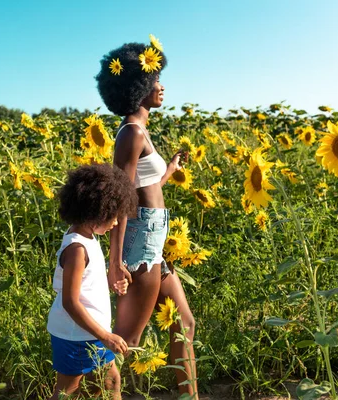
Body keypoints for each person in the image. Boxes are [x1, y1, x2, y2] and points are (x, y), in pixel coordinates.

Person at [95, 39, 198, 398]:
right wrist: (115, 261)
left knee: (184, 322)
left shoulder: (138, 130)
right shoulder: (131, 133)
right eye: (155, 79)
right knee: (124, 342)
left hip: (152, 240)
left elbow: (144, 186)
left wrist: (169, 170)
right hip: (139, 240)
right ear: (138, 88)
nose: (161, 86)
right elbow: (121, 197)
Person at [47, 163, 138, 400]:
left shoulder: (87, 238)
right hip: (76, 335)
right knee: (68, 392)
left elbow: (86, 284)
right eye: (113, 216)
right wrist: (105, 336)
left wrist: (110, 281)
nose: (116, 223)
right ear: (97, 210)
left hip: (89, 333)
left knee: (109, 382)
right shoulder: (77, 249)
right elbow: (70, 301)